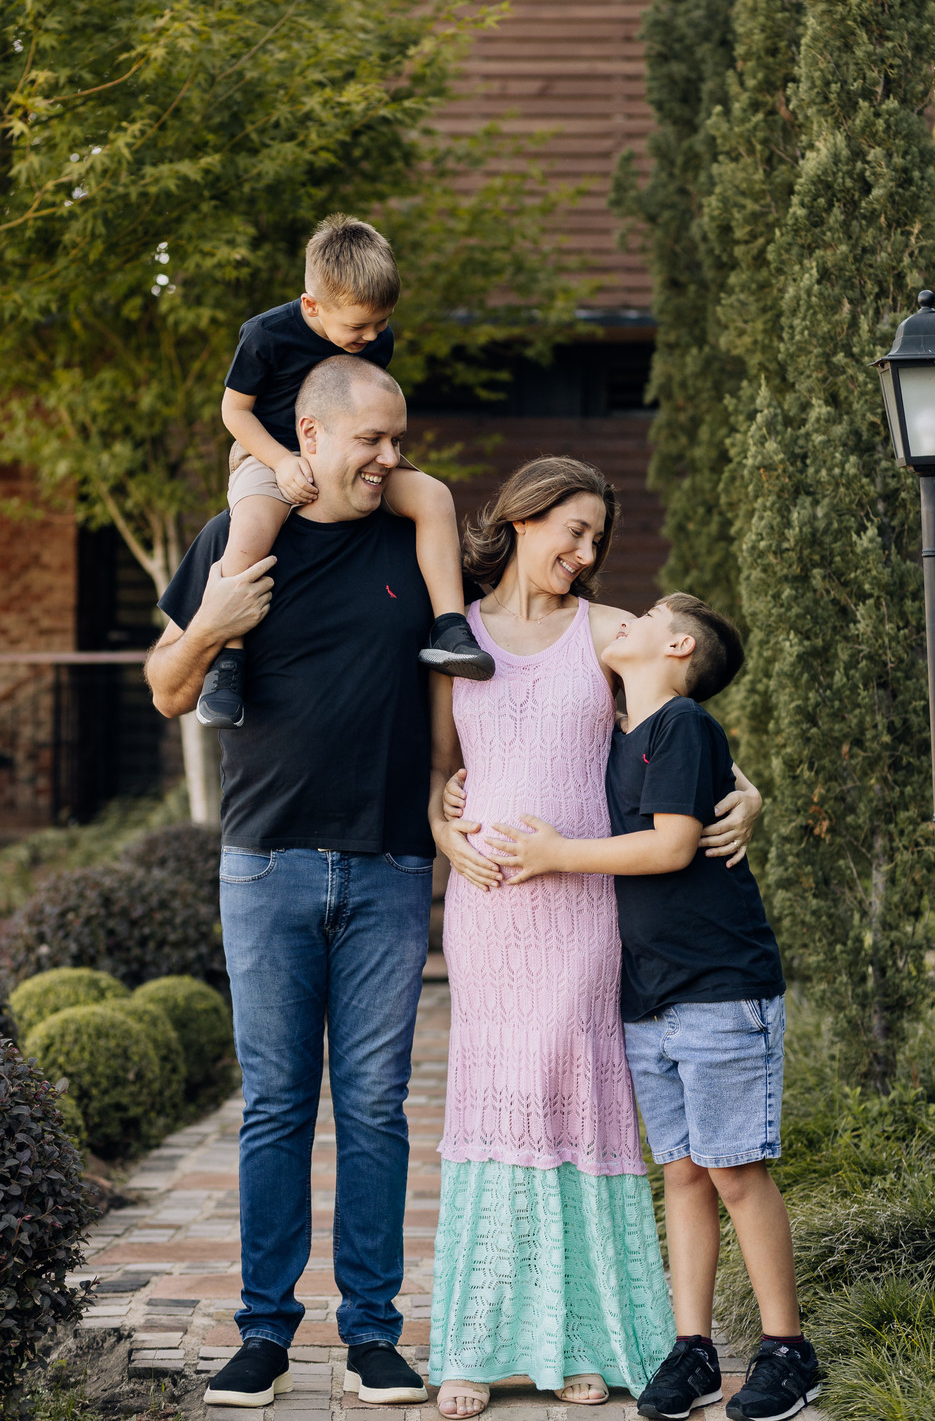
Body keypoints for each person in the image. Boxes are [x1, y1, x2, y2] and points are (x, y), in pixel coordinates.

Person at [426, 459, 763, 1419]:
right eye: (569, 531)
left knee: (570, 1098)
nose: (582, 554)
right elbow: (439, 768)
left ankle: (581, 1336)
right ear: (522, 518)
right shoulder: (458, 637)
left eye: (594, 541)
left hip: (583, 909)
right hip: (489, 913)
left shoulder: (608, 632)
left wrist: (750, 801)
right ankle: (477, 1344)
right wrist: (447, 832)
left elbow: (697, 737)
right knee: (498, 1103)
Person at [147, 354, 446, 1411]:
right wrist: (216, 630)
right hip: (265, 863)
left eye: (399, 440)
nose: (389, 459)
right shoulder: (236, 541)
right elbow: (166, 688)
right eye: (371, 439)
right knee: (276, 1105)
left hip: (389, 865)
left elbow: (550, 629)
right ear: (307, 437)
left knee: (374, 1109)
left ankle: (371, 1334)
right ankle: (264, 1334)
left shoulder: (418, 544)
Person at [490, 595, 821, 1421]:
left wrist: (557, 856)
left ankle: (788, 1352)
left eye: (641, 617)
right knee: (682, 1172)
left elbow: (673, 845)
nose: (621, 622)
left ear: (677, 645)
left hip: (718, 985)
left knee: (734, 1170)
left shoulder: (682, 726)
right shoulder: (625, 730)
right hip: (650, 993)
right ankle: (694, 1350)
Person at [197, 212, 492, 729]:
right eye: (358, 326)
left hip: (348, 453)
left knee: (433, 496)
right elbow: (233, 412)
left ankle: (449, 629)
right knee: (248, 532)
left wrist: (386, 452)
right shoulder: (265, 335)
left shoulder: (376, 339)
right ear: (312, 305)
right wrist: (282, 461)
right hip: (268, 451)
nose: (372, 336)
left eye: (381, 323)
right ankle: (228, 662)